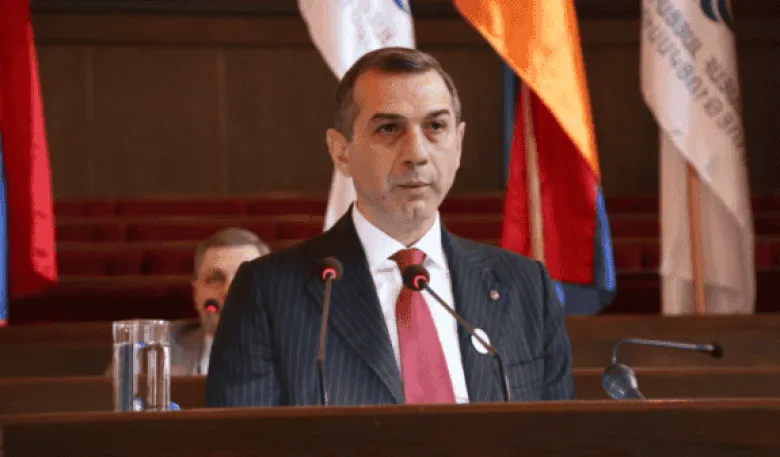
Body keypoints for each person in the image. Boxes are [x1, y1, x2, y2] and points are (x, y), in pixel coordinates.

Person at [205, 48, 574, 407]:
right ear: (341, 152)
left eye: (435, 127)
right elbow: (244, 438)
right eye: (389, 128)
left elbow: (557, 435)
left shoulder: (525, 286)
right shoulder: (268, 294)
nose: (417, 153)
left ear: (459, 144)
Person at [105, 228, 270, 376]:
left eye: (244, 279)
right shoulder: (145, 349)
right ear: (196, 293)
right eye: (214, 279)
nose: (228, 291)